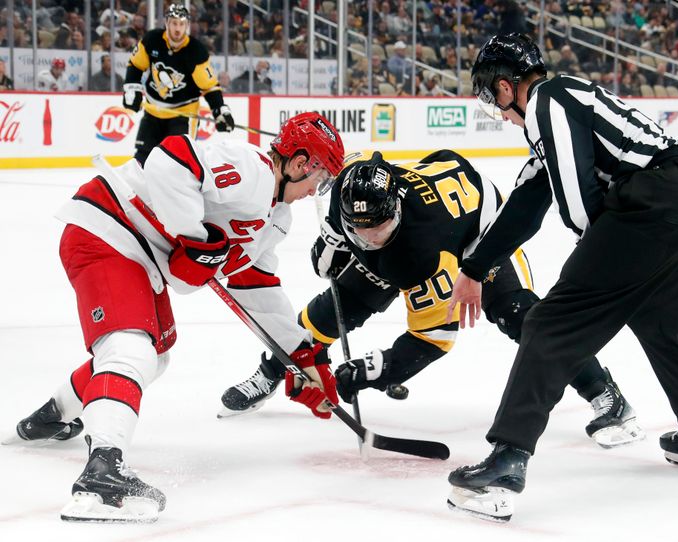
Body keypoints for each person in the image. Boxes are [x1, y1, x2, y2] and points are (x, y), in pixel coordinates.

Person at [445, 33, 678, 522]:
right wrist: (476, 268)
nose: (499, 113)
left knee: (549, 324)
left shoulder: (548, 98)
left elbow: (578, 196)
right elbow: (526, 203)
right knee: (662, 322)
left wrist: (591, 257)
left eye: (491, 98)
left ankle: (505, 461)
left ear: (504, 86)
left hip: (659, 204)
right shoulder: (573, 104)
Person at [11, 112, 345, 523]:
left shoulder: (277, 217)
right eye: (321, 178)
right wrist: (193, 237)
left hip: (138, 256)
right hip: (108, 230)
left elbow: (254, 284)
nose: (317, 190)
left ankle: (52, 415)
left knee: (157, 354)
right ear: (298, 163)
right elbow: (170, 159)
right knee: (130, 349)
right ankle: (102, 473)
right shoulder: (250, 169)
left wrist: (305, 355)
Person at [218, 150, 642, 450]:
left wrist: (363, 373)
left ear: (397, 210)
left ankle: (606, 394)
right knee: (332, 310)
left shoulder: (421, 252)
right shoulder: (346, 192)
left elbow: (433, 338)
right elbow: (341, 237)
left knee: (526, 319)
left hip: (478, 234)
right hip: (421, 215)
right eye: (358, 229)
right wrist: (332, 245)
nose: (367, 238)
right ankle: (271, 370)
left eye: (377, 228)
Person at [122, 3, 234, 164]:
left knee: (178, 163)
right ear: (167, 23)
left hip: (183, 115)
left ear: (187, 26)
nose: (177, 28)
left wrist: (219, 110)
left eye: (181, 24)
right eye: (174, 23)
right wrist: (132, 88)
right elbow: (136, 64)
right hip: (153, 110)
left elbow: (209, 87)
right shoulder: (152, 40)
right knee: (142, 158)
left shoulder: (196, 51)